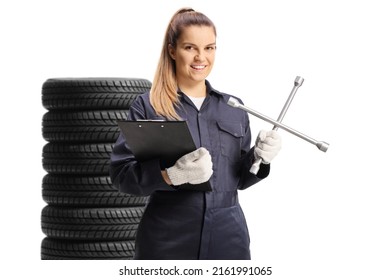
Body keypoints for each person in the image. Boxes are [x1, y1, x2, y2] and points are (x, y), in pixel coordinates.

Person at [110, 7, 282, 260]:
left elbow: (241, 180)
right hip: (167, 237)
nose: (201, 57)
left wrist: (260, 158)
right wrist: (171, 175)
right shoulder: (148, 106)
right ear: (172, 50)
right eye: (190, 47)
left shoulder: (233, 108)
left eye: (209, 48)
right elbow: (121, 175)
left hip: (228, 237)